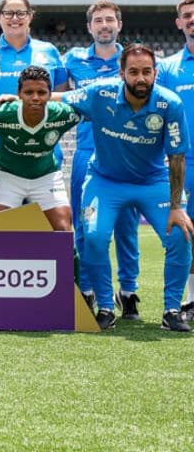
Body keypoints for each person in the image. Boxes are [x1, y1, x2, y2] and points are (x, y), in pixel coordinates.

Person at [61, 44, 193, 331]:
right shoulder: (100, 93)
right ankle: (106, 306)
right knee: (94, 238)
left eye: (146, 71)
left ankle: (171, 310)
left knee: (181, 236)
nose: (140, 78)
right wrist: (20, 98)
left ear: (156, 73)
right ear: (122, 73)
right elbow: (63, 98)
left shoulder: (169, 104)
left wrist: (176, 207)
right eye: (133, 72)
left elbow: (177, 157)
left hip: (153, 181)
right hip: (105, 180)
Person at [61, 0, 138, 314]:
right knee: (86, 224)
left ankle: (129, 291)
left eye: (110, 20)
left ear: (119, 25)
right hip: (88, 152)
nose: (104, 25)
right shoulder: (72, 61)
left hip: (129, 153)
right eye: (98, 21)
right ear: (89, 27)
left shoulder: (135, 60)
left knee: (127, 226)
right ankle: (89, 290)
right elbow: (62, 101)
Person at [0, 66, 78, 230]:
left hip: (46, 175)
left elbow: (93, 110)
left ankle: (72, 256)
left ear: (50, 94)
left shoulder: (63, 114)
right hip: (5, 174)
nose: (35, 98)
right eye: (29, 93)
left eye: (41, 93)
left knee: (63, 230)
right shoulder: (2, 113)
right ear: (19, 94)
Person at [156, 0, 194, 318]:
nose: (192, 19)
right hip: (183, 165)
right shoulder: (168, 68)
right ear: (179, 23)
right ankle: (189, 300)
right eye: (187, 15)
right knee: (185, 231)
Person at [0, 0, 66, 133]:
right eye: (8, 13)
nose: (14, 18)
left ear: (30, 16)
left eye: (20, 13)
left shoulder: (49, 50)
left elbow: (63, 100)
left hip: (43, 143)